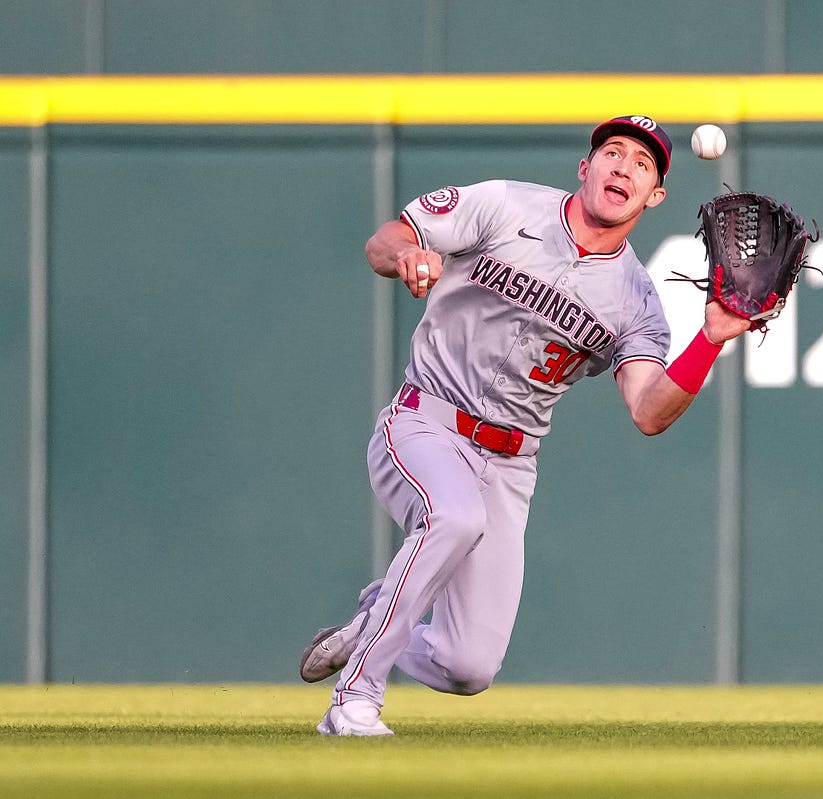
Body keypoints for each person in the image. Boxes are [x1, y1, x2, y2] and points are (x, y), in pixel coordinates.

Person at [301, 115, 751, 736]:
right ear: (585, 168)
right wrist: (408, 254)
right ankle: (355, 700)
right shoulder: (502, 205)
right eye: (612, 153)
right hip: (426, 419)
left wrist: (710, 339)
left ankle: (376, 618)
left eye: (642, 164)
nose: (623, 166)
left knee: (468, 666)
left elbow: (649, 411)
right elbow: (385, 240)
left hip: (510, 463)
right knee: (453, 518)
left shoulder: (635, 299)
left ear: (655, 196)